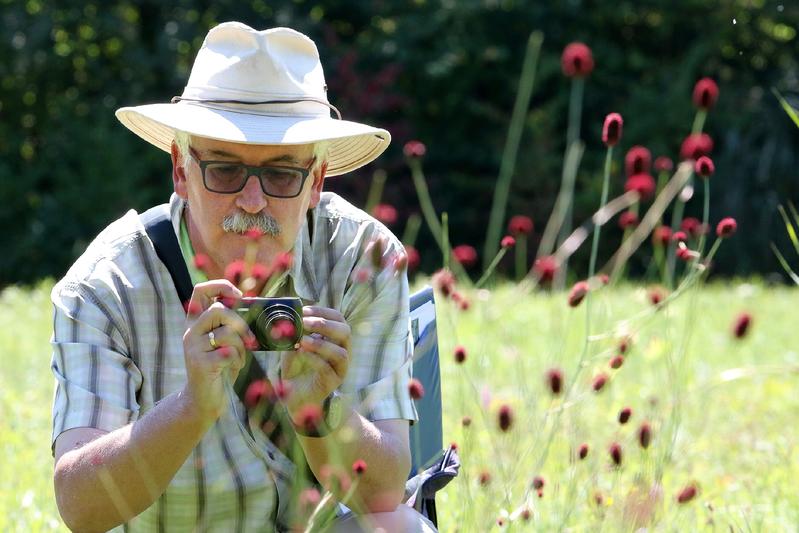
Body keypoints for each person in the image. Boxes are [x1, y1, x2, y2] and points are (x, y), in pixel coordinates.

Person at [50, 22, 435, 532]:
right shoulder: (107, 286)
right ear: (182, 171)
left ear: (315, 181)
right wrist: (191, 406)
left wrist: (319, 410)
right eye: (225, 170)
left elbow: (385, 494)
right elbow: (80, 507)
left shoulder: (362, 256)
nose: (252, 202)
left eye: (281, 174)